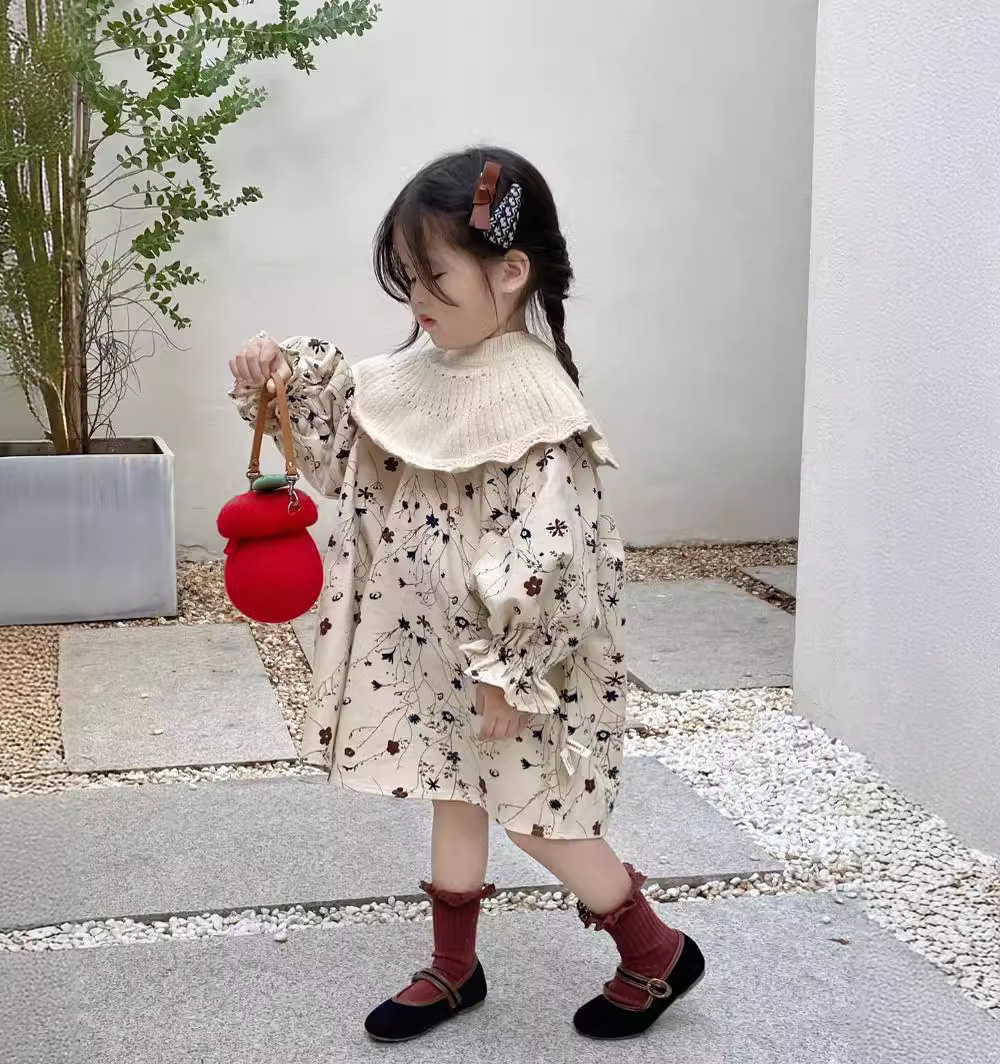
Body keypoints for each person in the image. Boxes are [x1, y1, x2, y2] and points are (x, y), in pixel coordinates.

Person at [227, 146, 705, 1043]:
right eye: (407, 279)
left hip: (511, 670)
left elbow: (552, 553)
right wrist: (279, 375)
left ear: (510, 271)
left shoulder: (538, 406)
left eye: (434, 278)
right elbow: (343, 460)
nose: (417, 300)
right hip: (435, 647)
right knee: (452, 787)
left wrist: (510, 671)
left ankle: (657, 949)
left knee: (537, 815)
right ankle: (455, 967)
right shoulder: (419, 377)